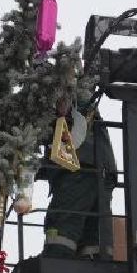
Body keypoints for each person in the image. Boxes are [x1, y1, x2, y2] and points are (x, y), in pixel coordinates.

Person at [37, 98, 118, 259]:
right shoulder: (82, 104)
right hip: (100, 168)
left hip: (78, 167)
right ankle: (93, 259)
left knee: (63, 222)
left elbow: (66, 139)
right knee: (93, 233)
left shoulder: (65, 98)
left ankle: (56, 258)